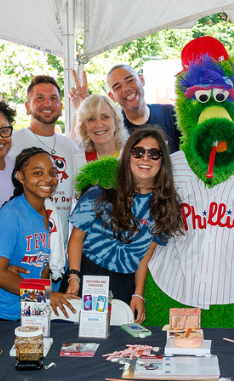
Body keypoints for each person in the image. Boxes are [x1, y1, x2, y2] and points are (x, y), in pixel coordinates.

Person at [67, 127, 184, 323]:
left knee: (116, 347)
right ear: (128, 156)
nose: (145, 158)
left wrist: (138, 294)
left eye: (154, 154)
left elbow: (144, 258)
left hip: (124, 284)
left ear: (163, 161)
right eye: (138, 152)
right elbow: (77, 237)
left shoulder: (166, 207)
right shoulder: (99, 193)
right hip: (85, 276)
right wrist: (73, 277)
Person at [0, 147, 77, 321]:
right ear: (21, 177)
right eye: (38, 173)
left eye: (52, 173)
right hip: (2, 314)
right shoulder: (10, 215)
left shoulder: (48, 211)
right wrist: (45, 295)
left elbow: (43, 264)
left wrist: (40, 303)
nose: (48, 180)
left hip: (30, 308)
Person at [5, 75, 80, 277]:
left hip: (59, 258)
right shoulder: (12, 143)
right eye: (40, 98)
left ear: (61, 106)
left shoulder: (70, 146)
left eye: (53, 98)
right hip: (23, 259)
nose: (47, 103)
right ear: (27, 106)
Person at [72, 65, 181, 153]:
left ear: (141, 80)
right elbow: (76, 147)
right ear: (112, 96)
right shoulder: (112, 125)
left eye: (130, 80)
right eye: (117, 87)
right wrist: (82, 109)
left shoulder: (171, 113)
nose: (126, 89)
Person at [75, 94, 128, 162]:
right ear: (85, 127)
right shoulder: (78, 159)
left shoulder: (132, 153)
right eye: (91, 119)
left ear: (116, 122)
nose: (98, 125)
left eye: (105, 117)